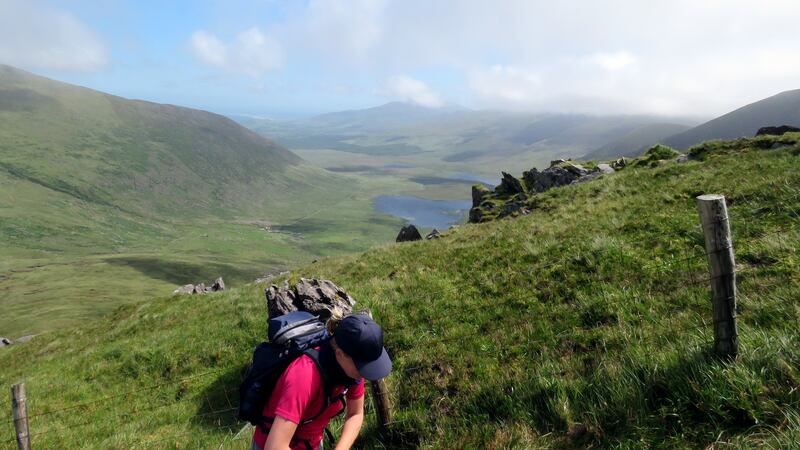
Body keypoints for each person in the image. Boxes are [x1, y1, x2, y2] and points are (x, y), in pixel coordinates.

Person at [252, 313, 393, 450]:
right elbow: (275, 446)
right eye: (362, 366)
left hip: (312, 443)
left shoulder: (352, 371)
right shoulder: (304, 375)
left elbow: (355, 414)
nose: (365, 374)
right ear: (339, 354)